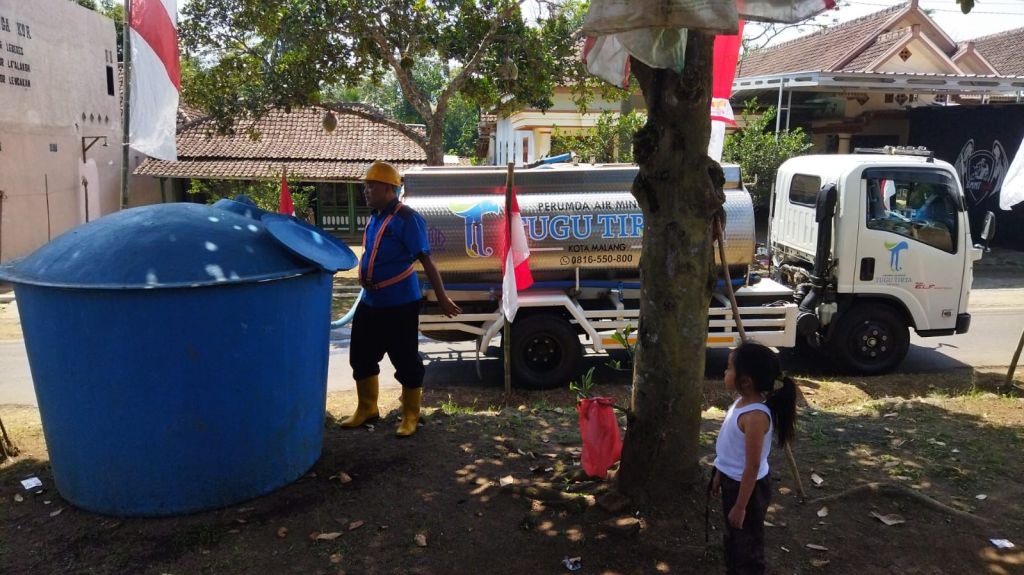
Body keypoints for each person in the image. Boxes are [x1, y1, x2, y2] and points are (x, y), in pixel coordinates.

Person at [341, 160, 461, 437]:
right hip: (371, 302)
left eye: (371, 186)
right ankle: (367, 408)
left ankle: (410, 415)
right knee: (360, 355)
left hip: (400, 304)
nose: (366, 191)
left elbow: (426, 260)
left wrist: (441, 297)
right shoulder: (375, 217)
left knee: (405, 359)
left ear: (388, 188)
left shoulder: (408, 218)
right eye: (365, 186)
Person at [711, 342, 797, 575]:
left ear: (746, 381)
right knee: (733, 536)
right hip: (733, 481)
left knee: (748, 543)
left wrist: (741, 506)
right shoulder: (740, 402)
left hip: (747, 489)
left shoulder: (755, 417)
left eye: (729, 368)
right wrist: (720, 471)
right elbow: (731, 450)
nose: (724, 372)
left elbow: (752, 464)